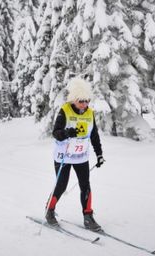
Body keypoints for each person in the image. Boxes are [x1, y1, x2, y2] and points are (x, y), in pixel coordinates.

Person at [45, 77, 105, 232]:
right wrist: (66, 133)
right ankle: (49, 210)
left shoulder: (89, 113)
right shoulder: (65, 110)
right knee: (62, 185)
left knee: (85, 185)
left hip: (80, 156)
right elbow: (56, 133)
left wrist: (99, 154)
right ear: (74, 99)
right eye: (81, 101)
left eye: (87, 101)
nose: (84, 104)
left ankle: (88, 217)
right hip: (63, 156)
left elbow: (94, 135)